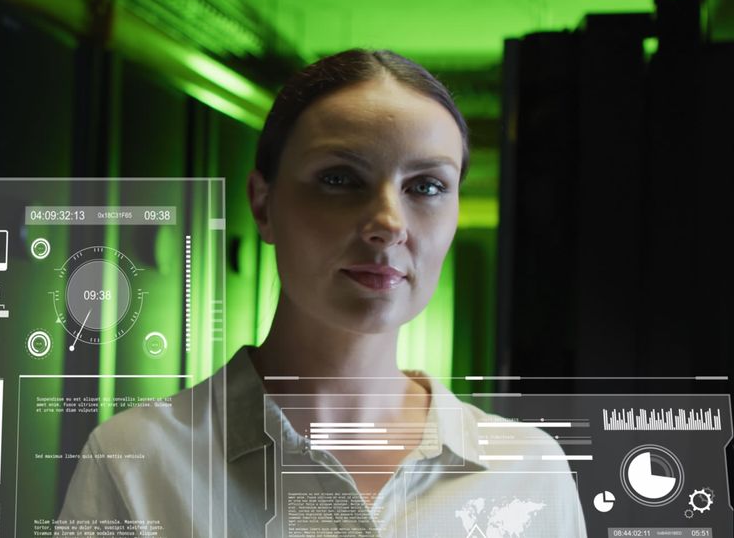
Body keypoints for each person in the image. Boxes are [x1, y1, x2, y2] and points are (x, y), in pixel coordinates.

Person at [57, 49, 588, 537]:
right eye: (339, 178)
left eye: (426, 186)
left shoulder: (527, 474)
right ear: (264, 205)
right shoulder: (138, 459)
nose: (387, 222)